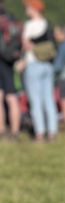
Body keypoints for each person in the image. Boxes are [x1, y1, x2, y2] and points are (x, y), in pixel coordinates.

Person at [20, 0, 58, 141]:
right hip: (47, 65)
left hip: (33, 64)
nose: (26, 11)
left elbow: (25, 45)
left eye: (27, 8)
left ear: (33, 9)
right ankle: (52, 132)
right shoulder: (48, 24)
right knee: (49, 99)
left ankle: (40, 133)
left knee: (35, 101)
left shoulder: (29, 25)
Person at [0, 0, 21, 140]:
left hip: (2, 59)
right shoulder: (11, 18)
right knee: (11, 96)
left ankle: (2, 130)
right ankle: (15, 131)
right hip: (9, 61)